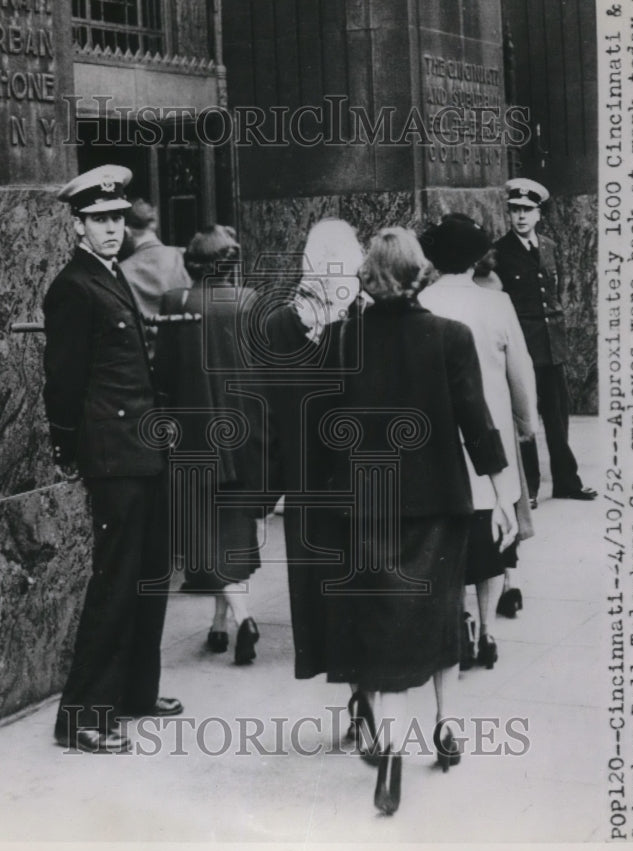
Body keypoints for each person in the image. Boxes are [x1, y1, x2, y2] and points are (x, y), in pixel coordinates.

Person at [327, 227, 518, 814]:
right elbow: (475, 423)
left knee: (384, 623)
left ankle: (388, 749)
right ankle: (446, 726)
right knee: (441, 616)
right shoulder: (450, 337)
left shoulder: (341, 340)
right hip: (440, 503)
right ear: (420, 273)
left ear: (369, 275)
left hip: (370, 506)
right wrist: (503, 495)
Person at [43, 165, 182, 755]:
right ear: (78, 224)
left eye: (118, 219)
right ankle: (81, 717)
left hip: (142, 450)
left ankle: (133, 694)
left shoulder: (110, 274)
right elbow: (64, 380)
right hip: (112, 455)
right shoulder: (72, 287)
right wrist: (67, 446)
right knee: (116, 582)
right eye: (99, 220)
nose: (111, 229)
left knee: (149, 576)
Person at [260, 220, 369, 742]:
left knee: (330, 598)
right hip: (356, 482)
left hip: (309, 486)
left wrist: (267, 485)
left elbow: (270, 413)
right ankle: (364, 697)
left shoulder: (282, 323)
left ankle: (357, 697)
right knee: (363, 590)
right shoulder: (366, 318)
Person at [419, 213, 537, 668]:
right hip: (491, 446)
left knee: (449, 545)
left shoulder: (422, 302)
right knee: (492, 544)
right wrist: (526, 427)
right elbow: (520, 372)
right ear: (475, 258)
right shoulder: (497, 304)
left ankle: (459, 620)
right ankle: (487, 630)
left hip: (440, 447)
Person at [153, 224, 265, 665]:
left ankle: (240, 618)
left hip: (194, 440)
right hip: (244, 438)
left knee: (206, 538)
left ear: (192, 263)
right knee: (234, 536)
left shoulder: (174, 303)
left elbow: (162, 377)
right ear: (231, 262)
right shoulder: (251, 303)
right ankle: (222, 624)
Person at [493, 178, 597, 504]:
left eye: (527, 210)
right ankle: (531, 489)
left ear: (539, 213)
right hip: (522, 347)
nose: (521, 216)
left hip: (553, 345)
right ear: (508, 214)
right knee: (526, 419)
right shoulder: (498, 252)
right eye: (515, 210)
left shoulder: (549, 246)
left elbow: (554, 294)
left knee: (557, 417)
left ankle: (567, 481)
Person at [118, 198, 192, 357]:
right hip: (189, 353)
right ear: (154, 226)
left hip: (149, 360)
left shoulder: (122, 271)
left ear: (127, 231)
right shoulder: (183, 256)